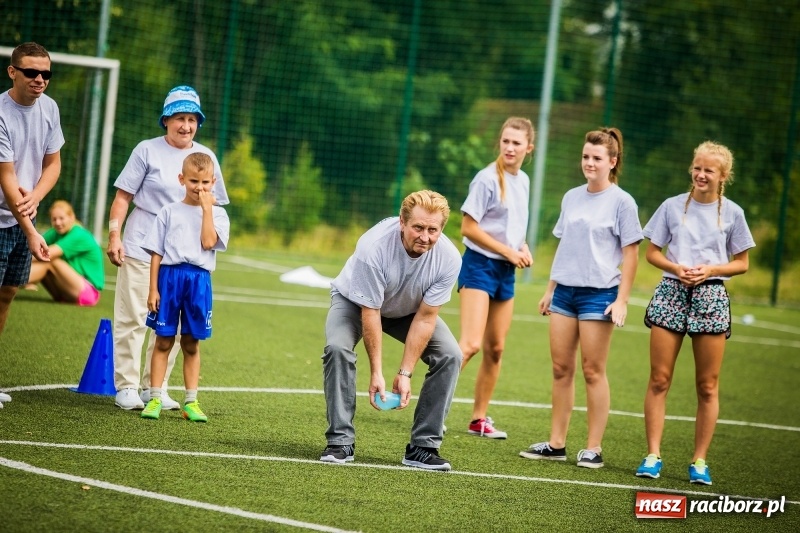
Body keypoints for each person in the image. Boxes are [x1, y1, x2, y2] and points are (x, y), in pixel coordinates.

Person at [519, 127, 642, 469]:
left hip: (599, 294)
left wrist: (622, 299)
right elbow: (565, 246)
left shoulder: (622, 202)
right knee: (561, 369)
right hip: (565, 293)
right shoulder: (572, 196)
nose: (589, 163)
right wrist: (550, 289)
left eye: (597, 158)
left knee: (592, 370)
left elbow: (631, 255)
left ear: (612, 162)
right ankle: (556, 443)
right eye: (586, 156)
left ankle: (593, 448)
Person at [634, 141, 755, 485]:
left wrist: (711, 270)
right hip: (671, 292)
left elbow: (742, 263)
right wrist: (676, 266)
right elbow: (652, 253)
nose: (701, 175)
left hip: (711, 297)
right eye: (697, 168)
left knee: (707, 386)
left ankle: (699, 461)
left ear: (723, 176)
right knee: (659, 379)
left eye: (709, 170)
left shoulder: (733, 213)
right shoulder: (672, 207)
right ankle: (653, 454)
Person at [320, 190, 463, 471]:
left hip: (408, 311)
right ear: (402, 222)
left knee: (450, 355)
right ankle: (340, 441)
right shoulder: (373, 247)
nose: (425, 236)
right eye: (418, 228)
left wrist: (404, 372)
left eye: (432, 230)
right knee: (337, 348)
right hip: (355, 302)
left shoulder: (449, 258)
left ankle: (422, 448)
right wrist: (377, 373)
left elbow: (425, 318)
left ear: (442, 229)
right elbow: (371, 312)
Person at [107, 85, 229, 411]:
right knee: (134, 316)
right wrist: (114, 235)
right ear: (166, 120)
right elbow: (123, 197)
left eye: (192, 119)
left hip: (182, 258)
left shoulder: (206, 157)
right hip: (141, 244)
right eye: (179, 118)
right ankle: (127, 386)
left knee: (172, 326)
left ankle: (154, 389)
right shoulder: (146, 150)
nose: (186, 125)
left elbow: (215, 205)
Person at [458, 117, 534, 439]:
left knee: (496, 349)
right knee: (471, 344)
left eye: (517, 143)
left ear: (529, 148)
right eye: (505, 141)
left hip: (505, 271)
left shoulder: (525, 180)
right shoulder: (486, 179)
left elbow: (514, 230)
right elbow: (468, 227)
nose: (510, 148)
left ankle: (479, 419)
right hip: (479, 266)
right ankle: (430, 408)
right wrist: (508, 250)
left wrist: (523, 248)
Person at [139, 152, 229, 422]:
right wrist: (153, 289)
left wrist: (207, 210)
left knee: (191, 343)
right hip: (170, 278)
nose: (199, 188)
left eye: (204, 182)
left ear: (213, 182)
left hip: (199, 281)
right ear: (181, 179)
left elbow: (207, 241)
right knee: (163, 339)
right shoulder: (168, 212)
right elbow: (155, 253)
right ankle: (155, 397)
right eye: (193, 181)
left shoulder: (218, 214)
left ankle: (191, 401)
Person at [0, 42, 64, 408]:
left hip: (25, 216)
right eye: (31, 72)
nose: (40, 79)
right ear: (13, 72)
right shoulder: (1, 112)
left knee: (7, 294)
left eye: (46, 74)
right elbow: (7, 178)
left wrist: (36, 198)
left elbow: (53, 163)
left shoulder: (50, 109)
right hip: (6, 219)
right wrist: (31, 229)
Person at [25, 200, 104, 305]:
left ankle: (11, 281)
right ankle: (12, 281)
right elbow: (33, 247)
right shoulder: (55, 232)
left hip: (89, 294)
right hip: (64, 293)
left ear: (72, 217)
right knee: (43, 260)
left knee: (49, 260)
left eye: (61, 218)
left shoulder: (79, 234)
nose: (57, 222)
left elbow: (46, 254)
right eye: (54, 219)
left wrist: (17, 263)